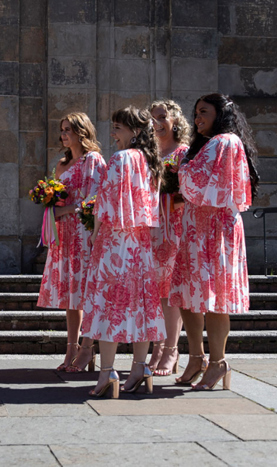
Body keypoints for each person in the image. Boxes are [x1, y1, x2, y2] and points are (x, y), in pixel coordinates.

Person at [169, 93, 258, 390]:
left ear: (220, 114)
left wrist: (176, 171)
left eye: (204, 112)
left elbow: (196, 177)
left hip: (216, 229)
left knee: (215, 299)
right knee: (187, 296)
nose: (197, 118)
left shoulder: (225, 141)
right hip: (196, 227)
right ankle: (197, 357)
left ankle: (219, 362)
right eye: (195, 113)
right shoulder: (207, 144)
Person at [79, 106, 165, 398]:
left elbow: (105, 204)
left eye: (118, 127)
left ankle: (107, 373)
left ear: (135, 131)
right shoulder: (152, 162)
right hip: (140, 244)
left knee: (108, 304)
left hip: (114, 241)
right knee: (140, 304)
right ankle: (141, 366)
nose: (112, 133)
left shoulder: (120, 159)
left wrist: (94, 233)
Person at [36, 112, 105, 372]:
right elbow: (57, 200)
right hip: (63, 236)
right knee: (70, 296)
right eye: (62, 129)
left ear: (81, 132)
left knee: (86, 293)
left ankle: (88, 348)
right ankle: (71, 348)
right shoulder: (61, 165)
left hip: (84, 234)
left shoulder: (94, 160)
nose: (63, 134)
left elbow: (96, 200)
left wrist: (63, 210)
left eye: (68, 130)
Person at [147, 100, 191, 376]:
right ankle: (156, 346)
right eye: (152, 119)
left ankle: (171, 349)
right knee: (154, 292)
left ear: (175, 120)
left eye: (162, 117)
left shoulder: (183, 153)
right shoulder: (149, 154)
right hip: (150, 227)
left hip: (174, 227)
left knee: (170, 292)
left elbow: (189, 192)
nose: (156, 123)